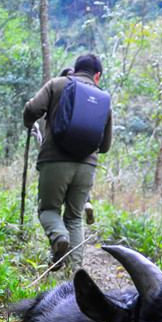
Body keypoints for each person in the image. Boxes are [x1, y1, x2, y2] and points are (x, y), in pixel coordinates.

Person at [24, 53, 113, 270]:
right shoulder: (104, 99)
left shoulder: (57, 84)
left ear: (75, 69)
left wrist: (29, 123)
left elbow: (32, 109)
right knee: (74, 217)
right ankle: (74, 274)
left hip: (54, 160)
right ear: (97, 76)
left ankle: (59, 237)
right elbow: (105, 146)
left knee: (48, 210)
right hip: (86, 167)